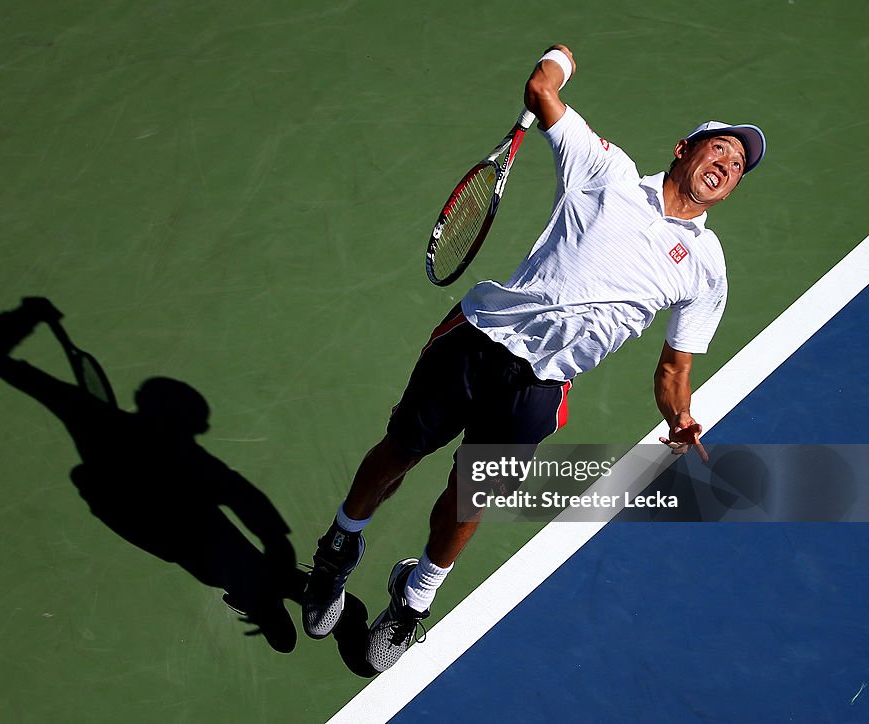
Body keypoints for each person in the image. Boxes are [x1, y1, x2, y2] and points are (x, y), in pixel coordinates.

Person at [301, 44, 767, 673]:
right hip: (478, 339)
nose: (728, 165)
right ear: (684, 149)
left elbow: (673, 370)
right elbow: (542, 90)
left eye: (739, 166)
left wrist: (679, 416)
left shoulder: (707, 272)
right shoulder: (607, 171)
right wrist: (560, 60)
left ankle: (413, 602)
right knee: (400, 450)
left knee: (470, 498)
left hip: (542, 387)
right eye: (720, 149)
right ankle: (339, 546)